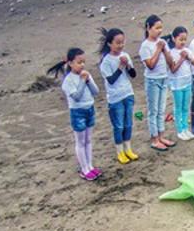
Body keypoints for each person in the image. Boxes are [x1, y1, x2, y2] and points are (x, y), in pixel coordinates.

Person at [47, 48, 100, 180]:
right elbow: (76, 96)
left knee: (88, 140)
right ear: (70, 63)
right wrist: (82, 81)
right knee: (80, 141)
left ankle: (90, 165)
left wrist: (88, 80)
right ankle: (84, 168)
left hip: (89, 108)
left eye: (83, 62)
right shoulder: (68, 81)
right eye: (79, 62)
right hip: (78, 112)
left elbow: (96, 91)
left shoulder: (86, 75)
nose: (82, 65)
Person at [98, 27, 139, 164]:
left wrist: (128, 65)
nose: (121, 45)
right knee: (119, 125)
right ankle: (120, 151)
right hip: (115, 97)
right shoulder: (106, 61)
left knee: (128, 123)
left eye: (122, 42)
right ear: (110, 44)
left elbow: (133, 75)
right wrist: (121, 66)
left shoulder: (125, 56)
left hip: (128, 93)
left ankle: (128, 149)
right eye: (118, 43)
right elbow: (110, 80)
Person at [139, 14, 176, 151]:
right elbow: (150, 65)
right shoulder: (145, 46)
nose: (159, 31)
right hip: (152, 80)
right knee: (153, 110)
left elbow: (170, 62)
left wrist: (165, 49)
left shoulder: (162, 42)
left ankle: (161, 135)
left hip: (163, 77)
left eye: (161, 28)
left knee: (161, 109)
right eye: (156, 28)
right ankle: (154, 138)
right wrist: (158, 49)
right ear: (148, 28)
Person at [164, 26, 194, 140]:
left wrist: (188, 58)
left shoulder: (187, 51)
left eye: (184, 39)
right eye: (180, 39)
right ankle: (179, 130)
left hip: (187, 82)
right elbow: (172, 69)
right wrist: (182, 59)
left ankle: (185, 128)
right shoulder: (171, 53)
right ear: (174, 39)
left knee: (185, 107)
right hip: (177, 84)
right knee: (178, 107)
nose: (183, 42)